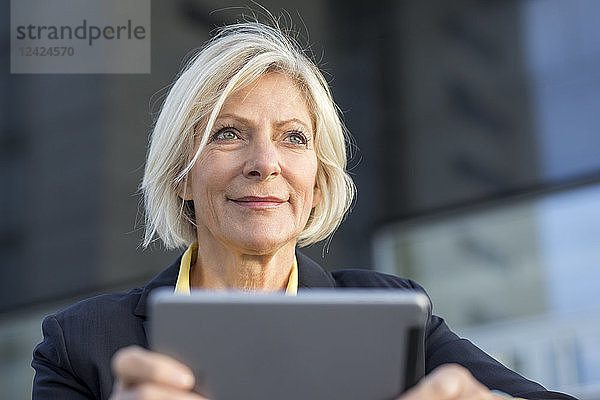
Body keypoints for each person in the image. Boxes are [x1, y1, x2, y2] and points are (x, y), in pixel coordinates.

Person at [32, 21, 576, 400]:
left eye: (293, 138)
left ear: (317, 184)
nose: (265, 163)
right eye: (228, 134)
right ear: (181, 176)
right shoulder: (80, 343)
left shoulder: (393, 315)